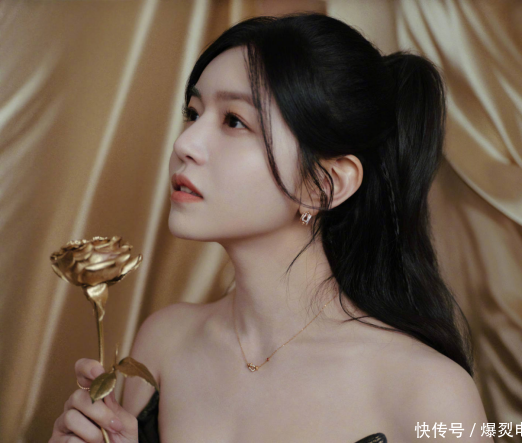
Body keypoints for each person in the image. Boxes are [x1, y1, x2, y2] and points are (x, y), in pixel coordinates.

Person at [50, 12, 489, 443]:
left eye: (234, 121)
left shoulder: (428, 392)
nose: (185, 144)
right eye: (193, 113)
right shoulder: (165, 343)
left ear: (326, 184)